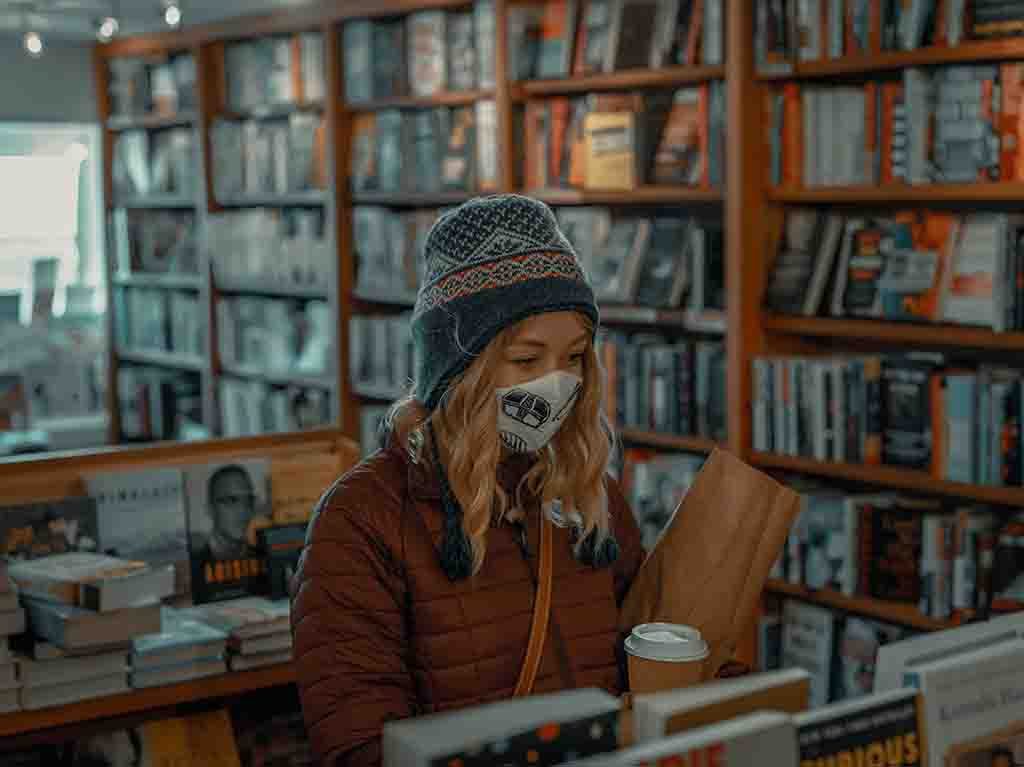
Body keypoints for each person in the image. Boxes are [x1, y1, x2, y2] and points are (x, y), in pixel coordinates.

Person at [291, 195, 744, 767]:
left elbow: (652, 642)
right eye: (527, 361)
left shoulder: (590, 496)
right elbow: (359, 746)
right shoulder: (363, 518)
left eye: (574, 357)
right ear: (459, 369)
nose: (557, 384)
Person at [190, 464, 266, 603]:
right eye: (231, 501)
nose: (243, 511)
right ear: (210, 509)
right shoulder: (194, 568)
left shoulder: (264, 560)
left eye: (248, 500)